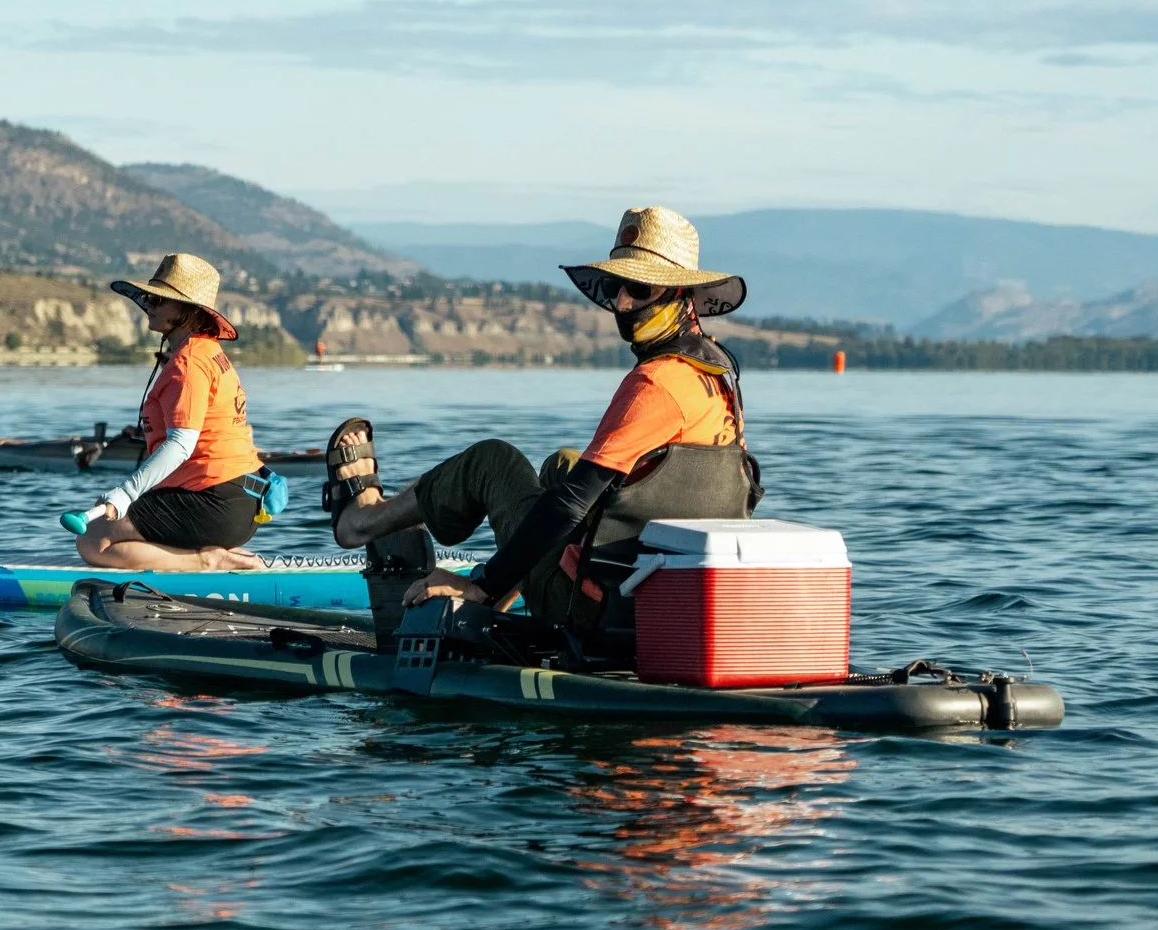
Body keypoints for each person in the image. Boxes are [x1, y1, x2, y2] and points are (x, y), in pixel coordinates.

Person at [327, 206, 759, 643]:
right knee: (563, 465)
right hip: (661, 602)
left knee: (493, 462)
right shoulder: (721, 376)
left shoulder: (655, 382)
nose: (623, 302)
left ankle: (361, 523)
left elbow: (570, 505)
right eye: (616, 287)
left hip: (593, 609)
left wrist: (483, 582)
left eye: (640, 288)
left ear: (678, 292)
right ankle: (499, 592)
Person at [65, 252, 269, 573]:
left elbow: (181, 445)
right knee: (106, 515)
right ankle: (208, 553)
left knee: (92, 540)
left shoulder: (189, 362)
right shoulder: (206, 351)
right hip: (240, 499)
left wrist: (126, 493)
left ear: (188, 311)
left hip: (217, 503)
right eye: (149, 297)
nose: (149, 304)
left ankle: (208, 559)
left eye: (160, 300)